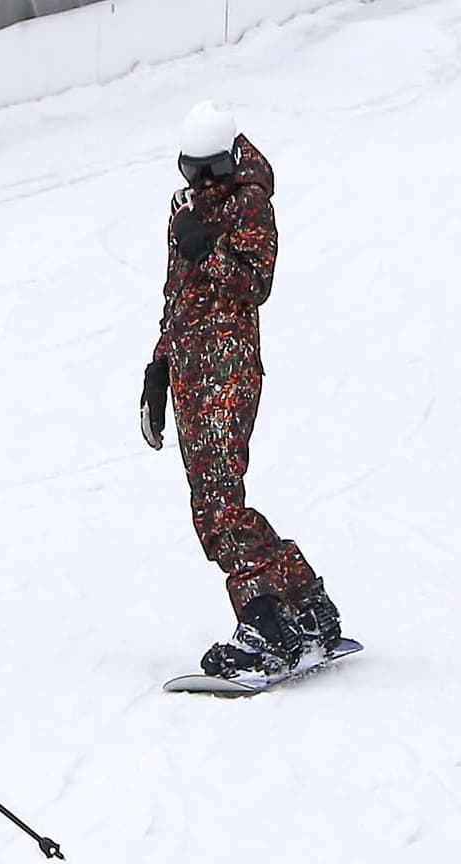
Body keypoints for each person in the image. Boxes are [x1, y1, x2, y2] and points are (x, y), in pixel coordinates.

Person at [140, 100, 342, 677]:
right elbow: (176, 296)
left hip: (225, 371)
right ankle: (307, 608)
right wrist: (160, 368)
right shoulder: (186, 210)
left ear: (228, 161)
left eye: (208, 171)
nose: (199, 183)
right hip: (190, 367)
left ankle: (264, 625)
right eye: (189, 170)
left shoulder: (249, 203)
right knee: (222, 504)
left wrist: (213, 250)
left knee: (217, 509)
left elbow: (257, 282)